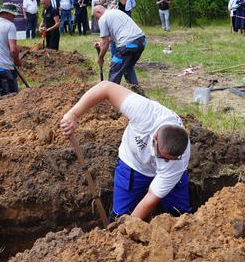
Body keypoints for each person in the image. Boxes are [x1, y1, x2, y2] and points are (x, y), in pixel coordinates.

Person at [60, 81, 191, 221]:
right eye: (162, 156)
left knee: (180, 217)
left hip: (170, 175)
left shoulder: (178, 162)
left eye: (170, 159)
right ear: (155, 138)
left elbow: (152, 197)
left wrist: (132, 225)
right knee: (120, 216)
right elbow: (106, 88)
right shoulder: (144, 112)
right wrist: (73, 114)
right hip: (133, 163)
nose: (165, 161)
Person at [93, 5, 146, 88]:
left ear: (98, 12)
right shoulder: (116, 12)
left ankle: (110, 94)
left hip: (127, 45)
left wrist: (100, 58)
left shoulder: (103, 19)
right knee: (128, 66)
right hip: (141, 42)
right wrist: (101, 44)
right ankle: (136, 90)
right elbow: (114, 35)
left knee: (115, 69)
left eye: (96, 17)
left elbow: (105, 42)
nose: (97, 19)